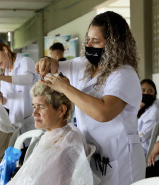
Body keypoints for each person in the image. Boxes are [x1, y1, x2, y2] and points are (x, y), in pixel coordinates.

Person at [36, 11, 145, 185]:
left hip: (121, 158)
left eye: (96, 41)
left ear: (113, 45)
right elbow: (55, 65)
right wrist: (46, 60)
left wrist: (65, 88)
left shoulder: (124, 74)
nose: (89, 44)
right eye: (88, 39)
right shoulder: (84, 65)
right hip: (94, 153)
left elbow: (104, 112)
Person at [7, 79, 96, 185]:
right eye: (34, 107)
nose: (34, 113)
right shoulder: (51, 135)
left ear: (61, 110)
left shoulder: (68, 141)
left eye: (41, 107)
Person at [0, 42, 36, 134]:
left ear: (5, 50)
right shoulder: (5, 74)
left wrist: (0, 77)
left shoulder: (25, 61)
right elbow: (8, 103)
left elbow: (27, 79)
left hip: (32, 121)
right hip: (15, 123)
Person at [138, 79, 159, 156]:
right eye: (143, 90)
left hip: (143, 149)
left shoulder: (154, 111)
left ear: (154, 94)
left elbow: (142, 136)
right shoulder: (144, 107)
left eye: (150, 91)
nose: (146, 93)